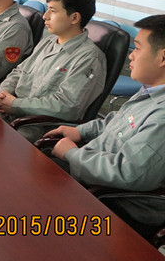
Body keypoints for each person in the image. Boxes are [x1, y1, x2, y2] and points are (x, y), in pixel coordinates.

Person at [47, 14, 165, 231]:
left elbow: (127, 173)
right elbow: (117, 122)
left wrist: (72, 154)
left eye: (138, 48)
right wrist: (80, 131)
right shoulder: (151, 90)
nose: (131, 56)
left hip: (116, 204)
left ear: (163, 58)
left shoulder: (162, 115)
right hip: (93, 174)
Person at [0, 0, 106, 142]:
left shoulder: (89, 58)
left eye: (52, 11)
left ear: (74, 18)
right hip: (10, 114)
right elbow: (18, 72)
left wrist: (15, 104)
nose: (45, 16)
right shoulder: (47, 42)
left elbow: (67, 107)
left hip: (38, 128)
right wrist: (4, 94)